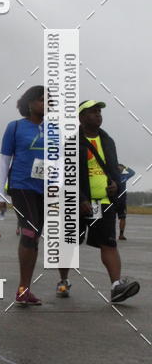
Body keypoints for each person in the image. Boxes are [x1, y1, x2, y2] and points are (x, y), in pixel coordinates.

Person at [57, 102, 138, 304]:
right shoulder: (71, 142)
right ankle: (63, 281)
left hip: (103, 202)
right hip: (75, 203)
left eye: (99, 111)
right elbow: (67, 176)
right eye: (93, 112)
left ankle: (116, 286)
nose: (98, 115)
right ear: (81, 117)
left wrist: (115, 186)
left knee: (109, 243)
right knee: (69, 244)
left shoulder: (107, 140)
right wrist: (80, 198)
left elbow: (113, 170)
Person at [0, 86, 64, 307]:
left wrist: (57, 186)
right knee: (30, 230)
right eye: (43, 100)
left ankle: (24, 289)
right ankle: (23, 289)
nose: (47, 104)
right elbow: (5, 161)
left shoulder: (54, 130)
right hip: (21, 186)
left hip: (45, 189)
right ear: (30, 103)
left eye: (50, 101)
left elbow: (58, 161)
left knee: (35, 236)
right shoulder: (14, 127)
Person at [117, 164, 136, 240]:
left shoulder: (124, 176)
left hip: (122, 200)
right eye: (118, 167)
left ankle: (121, 235)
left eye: (122, 167)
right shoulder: (111, 175)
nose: (120, 168)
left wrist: (125, 167)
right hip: (112, 199)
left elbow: (132, 172)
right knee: (110, 218)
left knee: (123, 217)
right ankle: (108, 234)